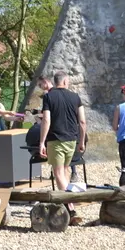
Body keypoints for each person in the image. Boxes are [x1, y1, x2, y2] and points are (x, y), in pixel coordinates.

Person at [39, 72, 87, 224]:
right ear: (65, 81)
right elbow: (83, 121)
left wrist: (42, 142)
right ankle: (68, 204)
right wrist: (82, 141)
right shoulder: (75, 97)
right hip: (72, 140)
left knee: (58, 172)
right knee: (65, 170)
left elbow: (46, 119)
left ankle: (70, 207)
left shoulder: (48, 97)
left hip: (56, 139)